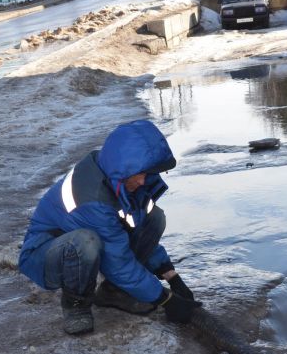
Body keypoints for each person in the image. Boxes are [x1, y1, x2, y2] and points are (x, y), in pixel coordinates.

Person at [19, 120, 201, 335]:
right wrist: (166, 299)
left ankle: (114, 292)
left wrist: (171, 276)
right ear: (125, 168)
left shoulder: (117, 176)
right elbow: (118, 262)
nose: (144, 181)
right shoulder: (93, 198)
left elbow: (137, 230)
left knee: (155, 217)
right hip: (46, 254)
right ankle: (75, 306)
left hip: (86, 246)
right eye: (140, 174)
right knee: (85, 242)